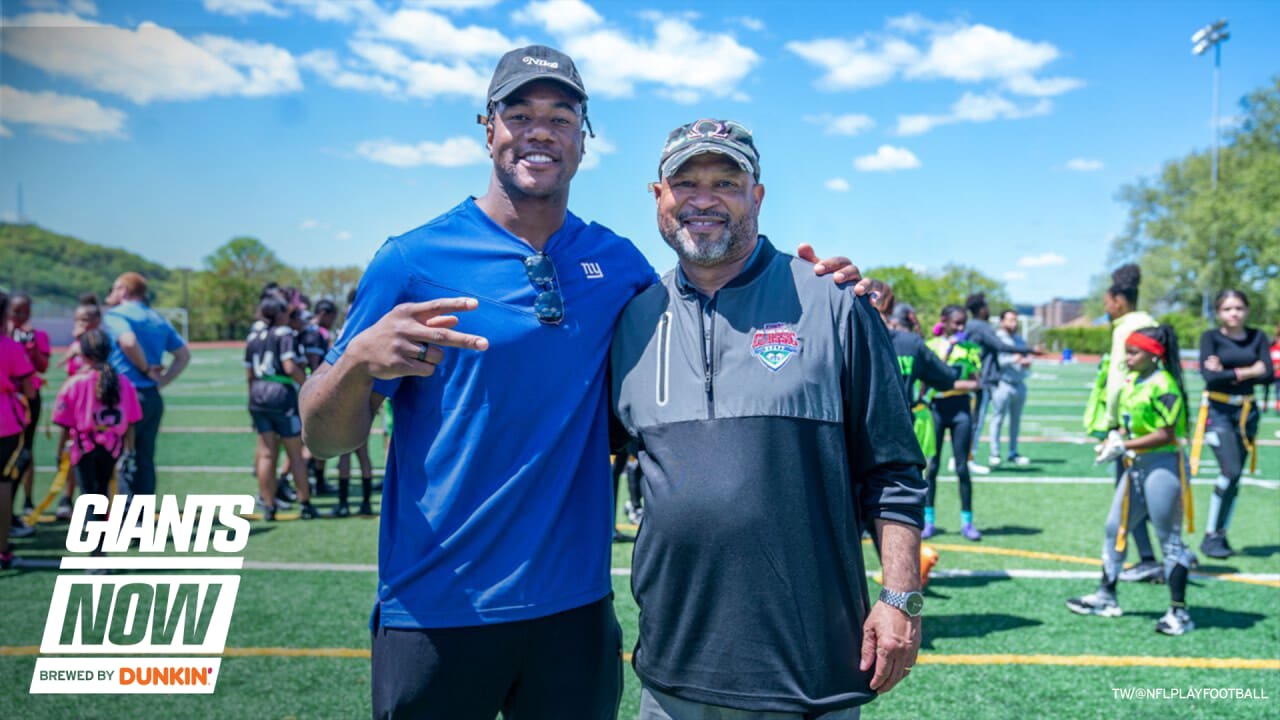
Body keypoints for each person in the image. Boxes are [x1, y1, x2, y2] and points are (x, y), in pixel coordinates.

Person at [300, 46, 864, 718]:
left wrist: (823, 292)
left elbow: (713, 292)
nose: (540, 130)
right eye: (520, 113)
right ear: (488, 127)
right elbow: (326, 439)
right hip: (438, 608)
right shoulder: (412, 260)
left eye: (561, 117)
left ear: (583, 139)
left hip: (574, 612)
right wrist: (357, 360)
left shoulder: (617, 264)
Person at [613, 120, 924, 719]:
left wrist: (901, 597)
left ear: (757, 196)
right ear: (659, 196)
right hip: (671, 675)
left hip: (807, 675)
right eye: (686, 182)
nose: (704, 199)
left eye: (726, 181)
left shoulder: (834, 302)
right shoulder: (633, 319)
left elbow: (894, 470)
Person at [1066, 325, 1196, 636]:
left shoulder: (1164, 384)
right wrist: (1115, 439)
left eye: (1134, 352)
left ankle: (1179, 612)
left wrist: (1125, 446)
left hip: (1164, 465)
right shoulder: (1133, 380)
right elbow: (1130, 425)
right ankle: (1106, 596)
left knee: (1170, 539)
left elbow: (1166, 433)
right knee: (1115, 528)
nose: (1127, 358)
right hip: (1137, 464)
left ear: (1154, 354)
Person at [1089, 264, 1162, 583]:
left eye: (1107, 300)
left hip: (1131, 424)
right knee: (1139, 493)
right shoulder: (1150, 321)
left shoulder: (1124, 329)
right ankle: (1151, 557)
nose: (1106, 306)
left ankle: (1160, 556)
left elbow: (1119, 381)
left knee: (1131, 495)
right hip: (1152, 417)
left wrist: (1113, 425)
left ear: (1118, 299)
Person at [51, 329, 143, 571]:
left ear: (83, 354)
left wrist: (60, 451)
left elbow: (65, 423)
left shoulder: (76, 382)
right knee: (103, 497)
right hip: (112, 446)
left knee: (90, 499)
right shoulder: (123, 381)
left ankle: (97, 555)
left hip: (84, 447)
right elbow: (131, 421)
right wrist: (129, 451)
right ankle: (100, 552)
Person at [1191, 290, 1273, 558]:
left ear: (1247, 310)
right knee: (1231, 470)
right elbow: (1209, 378)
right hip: (1219, 412)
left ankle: (1220, 535)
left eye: (1239, 307)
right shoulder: (1210, 338)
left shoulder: (1257, 336)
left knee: (1235, 478)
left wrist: (1226, 371)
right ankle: (1210, 536)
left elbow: (1269, 374)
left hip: (1247, 414)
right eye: (1227, 309)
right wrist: (1249, 371)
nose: (1234, 313)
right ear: (1218, 313)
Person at [102, 272, 190, 508]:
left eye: (114, 288)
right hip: (151, 396)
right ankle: (142, 517)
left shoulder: (116, 315)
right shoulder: (157, 318)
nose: (110, 294)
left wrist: (143, 369)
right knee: (145, 459)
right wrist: (161, 380)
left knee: (122, 457)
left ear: (124, 290)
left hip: (124, 396)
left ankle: (125, 516)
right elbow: (183, 355)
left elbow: (128, 342)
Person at [245, 298, 315, 520]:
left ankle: (268, 505)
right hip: (280, 395)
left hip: (257, 393)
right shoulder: (284, 333)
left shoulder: (253, 336)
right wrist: (308, 385)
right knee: (294, 452)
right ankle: (305, 503)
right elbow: (289, 366)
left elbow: (249, 374)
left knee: (266, 453)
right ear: (279, 314)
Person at [922, 306, 984, 541]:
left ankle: (967, 522)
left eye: (963, 324)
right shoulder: (932, 345)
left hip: (960, 411)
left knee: (961, 468)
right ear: (944, 321)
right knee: (932, 467)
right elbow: (932, 381)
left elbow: (975, 384)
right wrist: (948, 351)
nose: (960, 329)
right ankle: (928, 521)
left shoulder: (971, 350)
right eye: (956, 323)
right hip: (936, 410)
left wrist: (948, 385)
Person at [962, 292, 1036, 474]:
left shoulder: (969, 325)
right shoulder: (981, 327)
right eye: (986, 306)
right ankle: (969, 458)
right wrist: (1028, 350)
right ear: (981, 309)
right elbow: (1000, 346)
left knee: (971, 421)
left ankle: (963, 456)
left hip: (969, 377)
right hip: (981, 379)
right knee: (976, 422)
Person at [55, 298, 104, 520]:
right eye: (78, 319)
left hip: (95, 412)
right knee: (68, 453)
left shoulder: (102, 344)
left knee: (95, 458)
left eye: (85, 319)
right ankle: (67, 497)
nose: (81, 323)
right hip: (75, 411)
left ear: (97, 321)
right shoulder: (76, 344)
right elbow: (67, 372)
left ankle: (98, 505)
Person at [6, 292, 50, 521]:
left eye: (26, 311)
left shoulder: (38, 335)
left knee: (25, 451)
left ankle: (26, 500)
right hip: (9, 402)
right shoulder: (6, 339)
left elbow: (42, 367)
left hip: (27, 399)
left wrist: (31, 348)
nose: (21, 316)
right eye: (16, 311)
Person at [1, 292, 37, 566]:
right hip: (6, 424)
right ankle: (3, 548)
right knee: (3, 484)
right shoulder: (12, 348)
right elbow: (30, 390)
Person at [986, 309, 1032, 466]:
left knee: (1016, 421)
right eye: (1010, 320)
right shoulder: (997, 339)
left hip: (1019, 383)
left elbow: (1026, 358)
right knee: (997, 419)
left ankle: (1013, 452)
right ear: (1002, 321)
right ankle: (995, 453)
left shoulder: (1020, 339)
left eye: (1015, 320)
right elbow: (998, 361)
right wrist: (1014, 358)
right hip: (1002, 384)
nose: (1014, 323)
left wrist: (1026, 362)